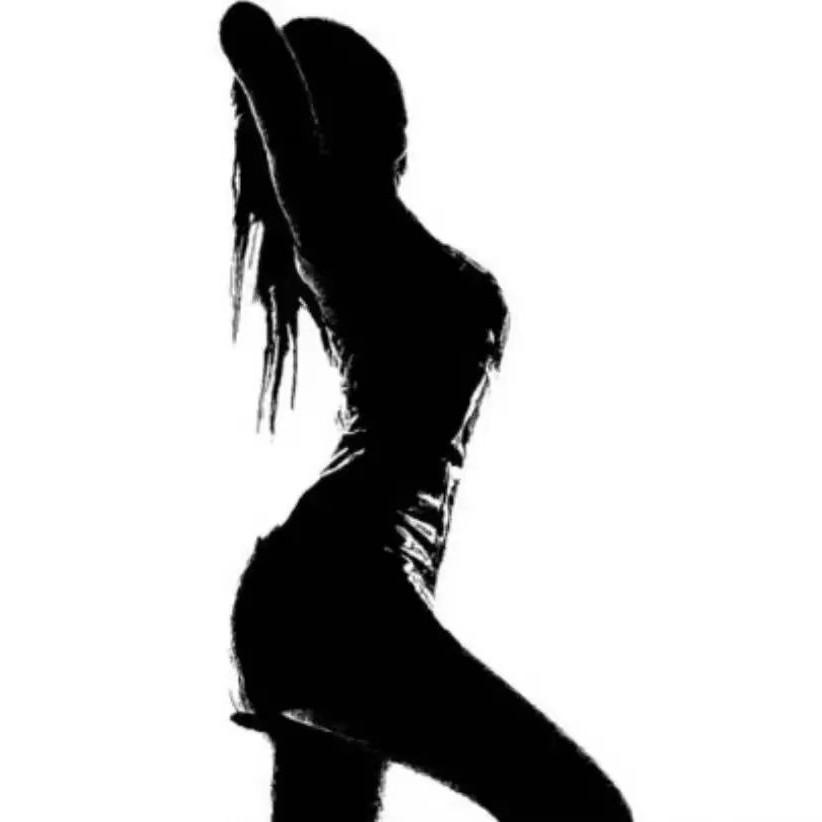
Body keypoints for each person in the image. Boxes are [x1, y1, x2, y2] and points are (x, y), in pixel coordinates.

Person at [220, 3, 632, 819]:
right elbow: (248, 40)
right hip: (342, 591)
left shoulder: (370, 245)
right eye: (381, 99)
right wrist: (274, 86)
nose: (402, 120)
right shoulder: (332, 226)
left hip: (333, 594)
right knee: (582, 811)